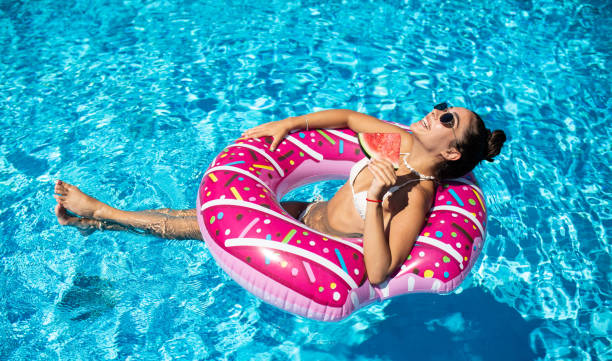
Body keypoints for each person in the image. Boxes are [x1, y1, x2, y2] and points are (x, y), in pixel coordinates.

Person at [54, 104, 506, 284]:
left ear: (449, 151)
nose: (437, 112)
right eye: (443, 105)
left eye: (449, 120)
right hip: (305, 212)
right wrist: (289, 126)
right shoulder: (399, 140)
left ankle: (100, 214)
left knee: (193, 229)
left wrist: (374, 201)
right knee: (194, 220)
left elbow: (380, 270)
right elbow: (349, 121)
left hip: (323, 252)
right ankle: (99, 219)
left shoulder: (416, 195)